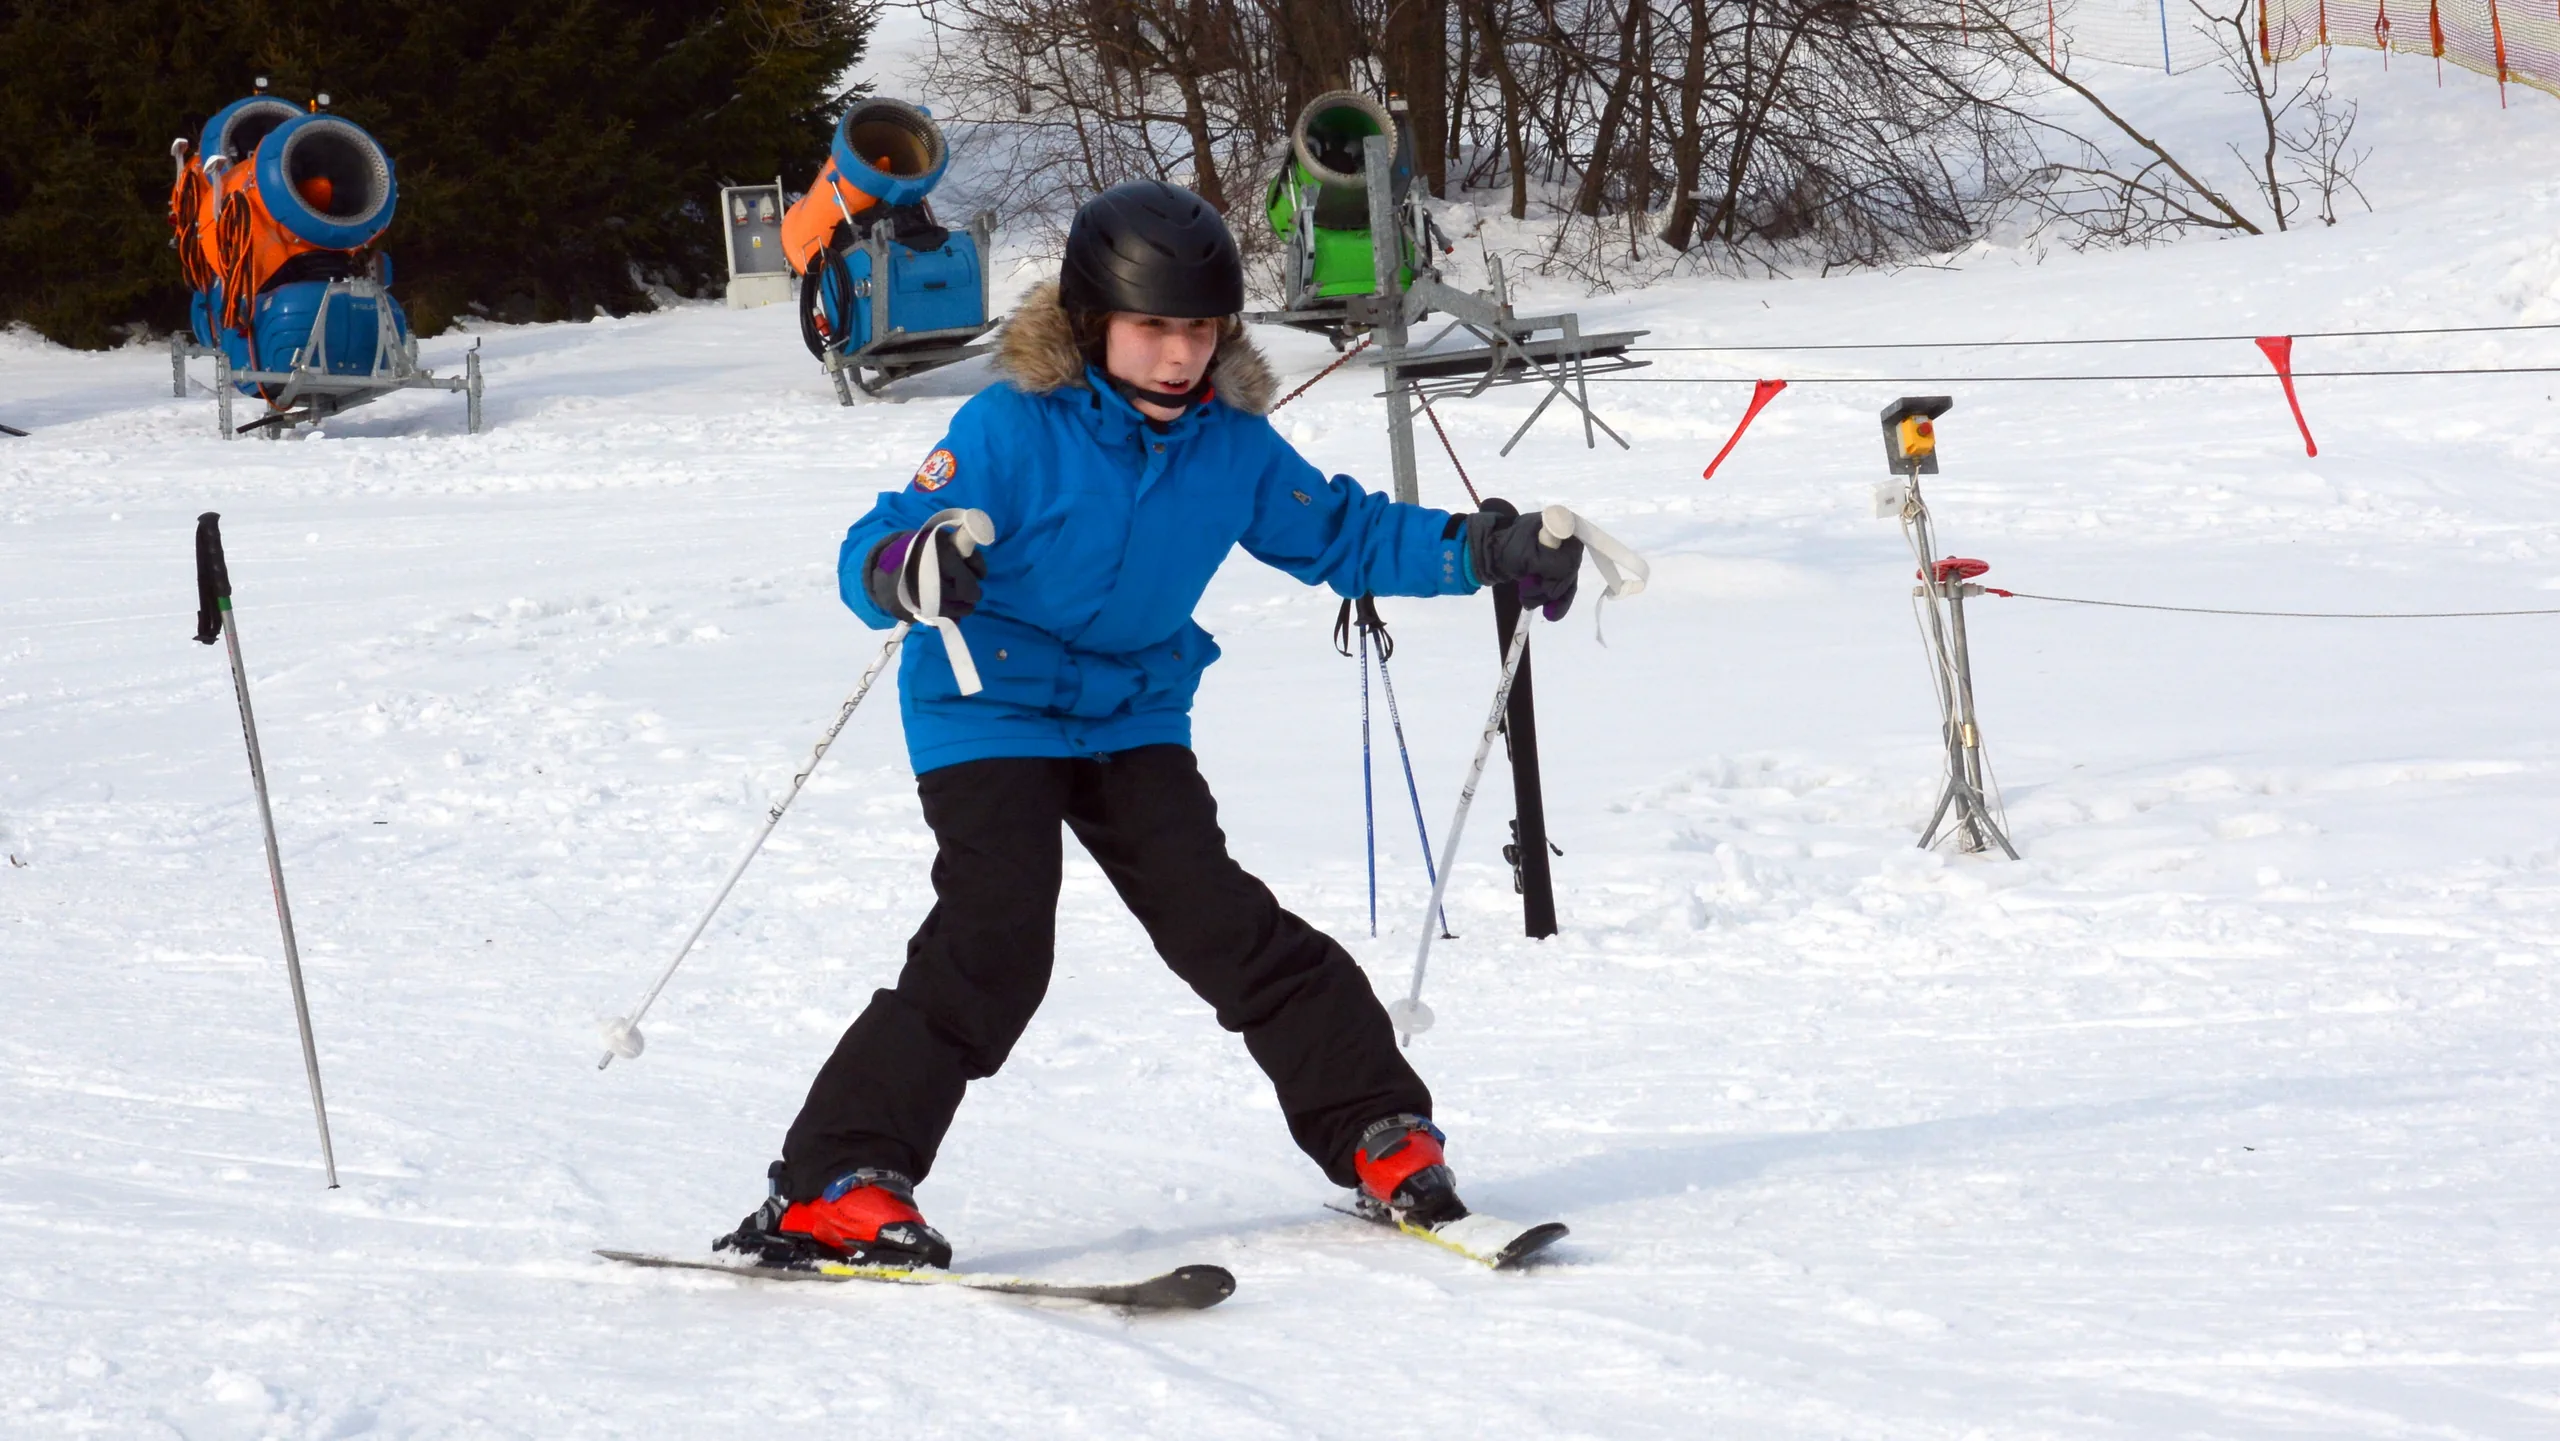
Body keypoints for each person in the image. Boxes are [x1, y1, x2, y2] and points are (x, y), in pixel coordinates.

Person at [719, 180, 1585, 1268]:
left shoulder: (1231, 442)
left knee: (1224, 924)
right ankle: (831, 1183)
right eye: (1152, 327)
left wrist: (1482, 548)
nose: (1180, 356)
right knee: (995, 937)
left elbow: (1344, 534)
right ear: (1093, 323)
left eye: (1201, 328)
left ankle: (1380, 1132)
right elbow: (881, 540)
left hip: (1132, 710)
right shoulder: (1012, 425)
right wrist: (908, 564)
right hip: (988, 705)